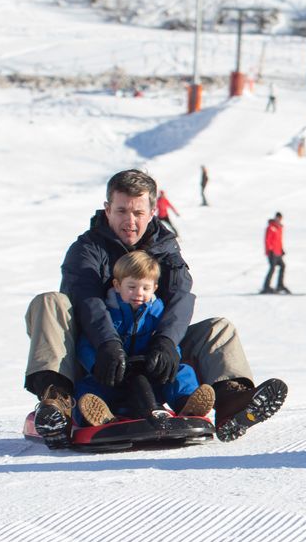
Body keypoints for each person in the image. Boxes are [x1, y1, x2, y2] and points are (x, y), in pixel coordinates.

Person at [26, 169, 288, 449]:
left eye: (138, 212)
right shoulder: (87, 249)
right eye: (121, 210)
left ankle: (231, 402)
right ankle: (58, 403)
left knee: (219, 329)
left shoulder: (165, 248)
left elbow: (181, 297)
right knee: (49, 302)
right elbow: (85, 299)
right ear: (107, 209)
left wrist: (165, 342)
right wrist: (107, 343)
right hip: (98, 357)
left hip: (155, 357)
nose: (130, 220)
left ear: (153, 211)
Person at [73, 251, 215, 427]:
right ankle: (97, 416)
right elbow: (87, 344)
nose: (138, 293)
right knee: (87, 387)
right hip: (113, 376)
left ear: (154, 288)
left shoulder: (157, 313)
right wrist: (97, 364)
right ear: (117, 285)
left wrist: (166, 358)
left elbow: (170, 342)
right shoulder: (107, 313)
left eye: (145, 288)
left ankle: (186, 404)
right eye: (131, 287)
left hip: (150, 376)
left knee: (182, 372)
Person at [261, 213, 290, 294]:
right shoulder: (271, 227)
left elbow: (278, 241)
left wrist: (281, 250)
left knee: (282, 266)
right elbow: (268, 240)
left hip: (278, 252)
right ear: (275, 218)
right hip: (272, 252)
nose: (279, 220)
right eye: (278, 218)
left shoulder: (279, 228)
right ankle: (266, 286)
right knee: (272, 268)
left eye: (280, 218)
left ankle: (280, 285)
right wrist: (270, 250)